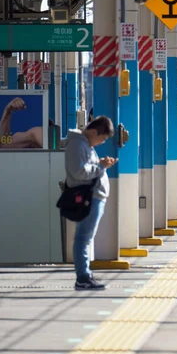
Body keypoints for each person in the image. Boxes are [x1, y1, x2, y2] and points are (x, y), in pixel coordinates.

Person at [64, 115, 117, 290]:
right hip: (89, 197)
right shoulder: (77, 145)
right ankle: (83, 277)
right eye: (101, 138)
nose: (101, 142)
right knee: (83, 238)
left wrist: (101, 165)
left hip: (94, 197)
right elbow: (79, 171)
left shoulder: (84, 144)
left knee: (85, 238)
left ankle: (85, 274)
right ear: (93, 131)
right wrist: (101, 166)